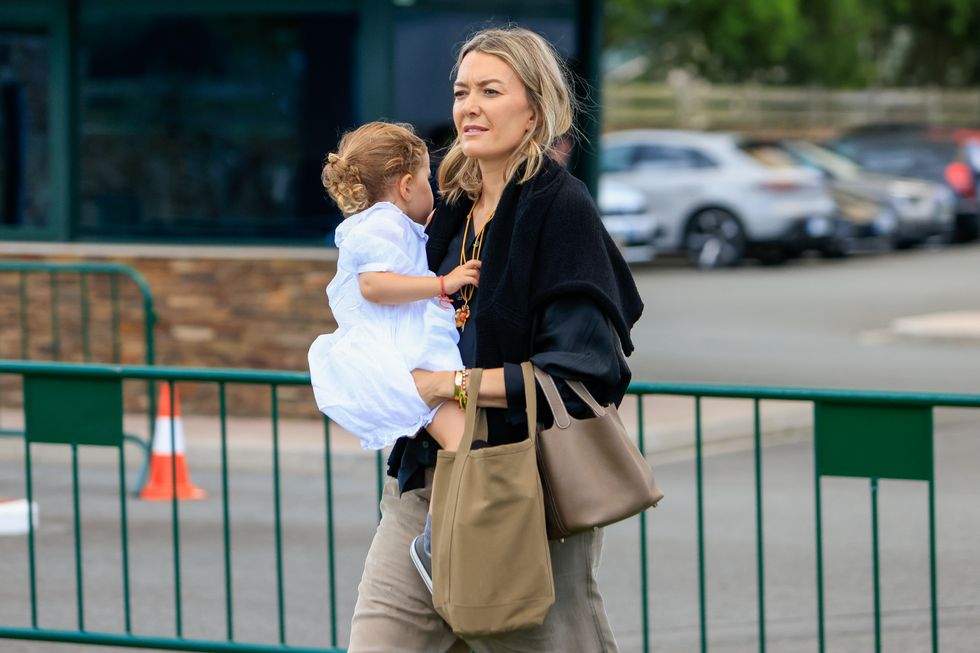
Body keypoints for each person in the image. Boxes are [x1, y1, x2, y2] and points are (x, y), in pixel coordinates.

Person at [347, 27, 643, 653]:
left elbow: (582, 373)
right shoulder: (446, 209)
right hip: (424, 486)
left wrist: (443, 385)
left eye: (490, 90)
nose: (469, 106)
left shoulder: (561, 208)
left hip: (520, 490)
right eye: (461, 91)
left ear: (534, 109)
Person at [308, 121, 483, 571]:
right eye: (427, 181)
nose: (433, 193)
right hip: (404, 357)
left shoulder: (388, 223)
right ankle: (439, 541)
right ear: (406, 185)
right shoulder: (381, 224)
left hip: (415, 351)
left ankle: (442, 537)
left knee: (462, 439)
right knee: (462, 440)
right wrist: (443, 282)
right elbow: (373, 285)